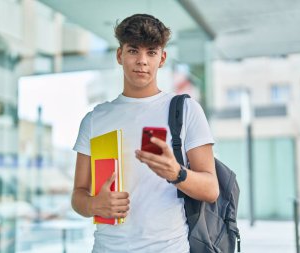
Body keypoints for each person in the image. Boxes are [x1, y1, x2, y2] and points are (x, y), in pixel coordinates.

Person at [72, 13, 219, 253]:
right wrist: (93, 204)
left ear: (162, 58)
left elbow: (211, 189)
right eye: (133, 51)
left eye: (151, 52)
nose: (142, 61)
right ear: (120, 55)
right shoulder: (95, 119)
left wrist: (177, 173)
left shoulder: (185, 110)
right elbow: (78, 195)